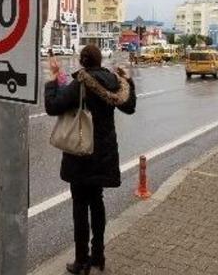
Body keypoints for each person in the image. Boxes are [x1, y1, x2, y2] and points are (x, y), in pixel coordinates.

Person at [45, 45, 136, 274]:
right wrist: (128, 80)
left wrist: (53, 79)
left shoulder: (82, 83)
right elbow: (130, 106)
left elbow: (53, 106)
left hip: (81, 154)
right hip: (103, 154)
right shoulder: (113, 81)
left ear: (83, 62)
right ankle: (98, 256)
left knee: (80, 205)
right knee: (97, 202)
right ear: (99, 61)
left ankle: (81, 261)